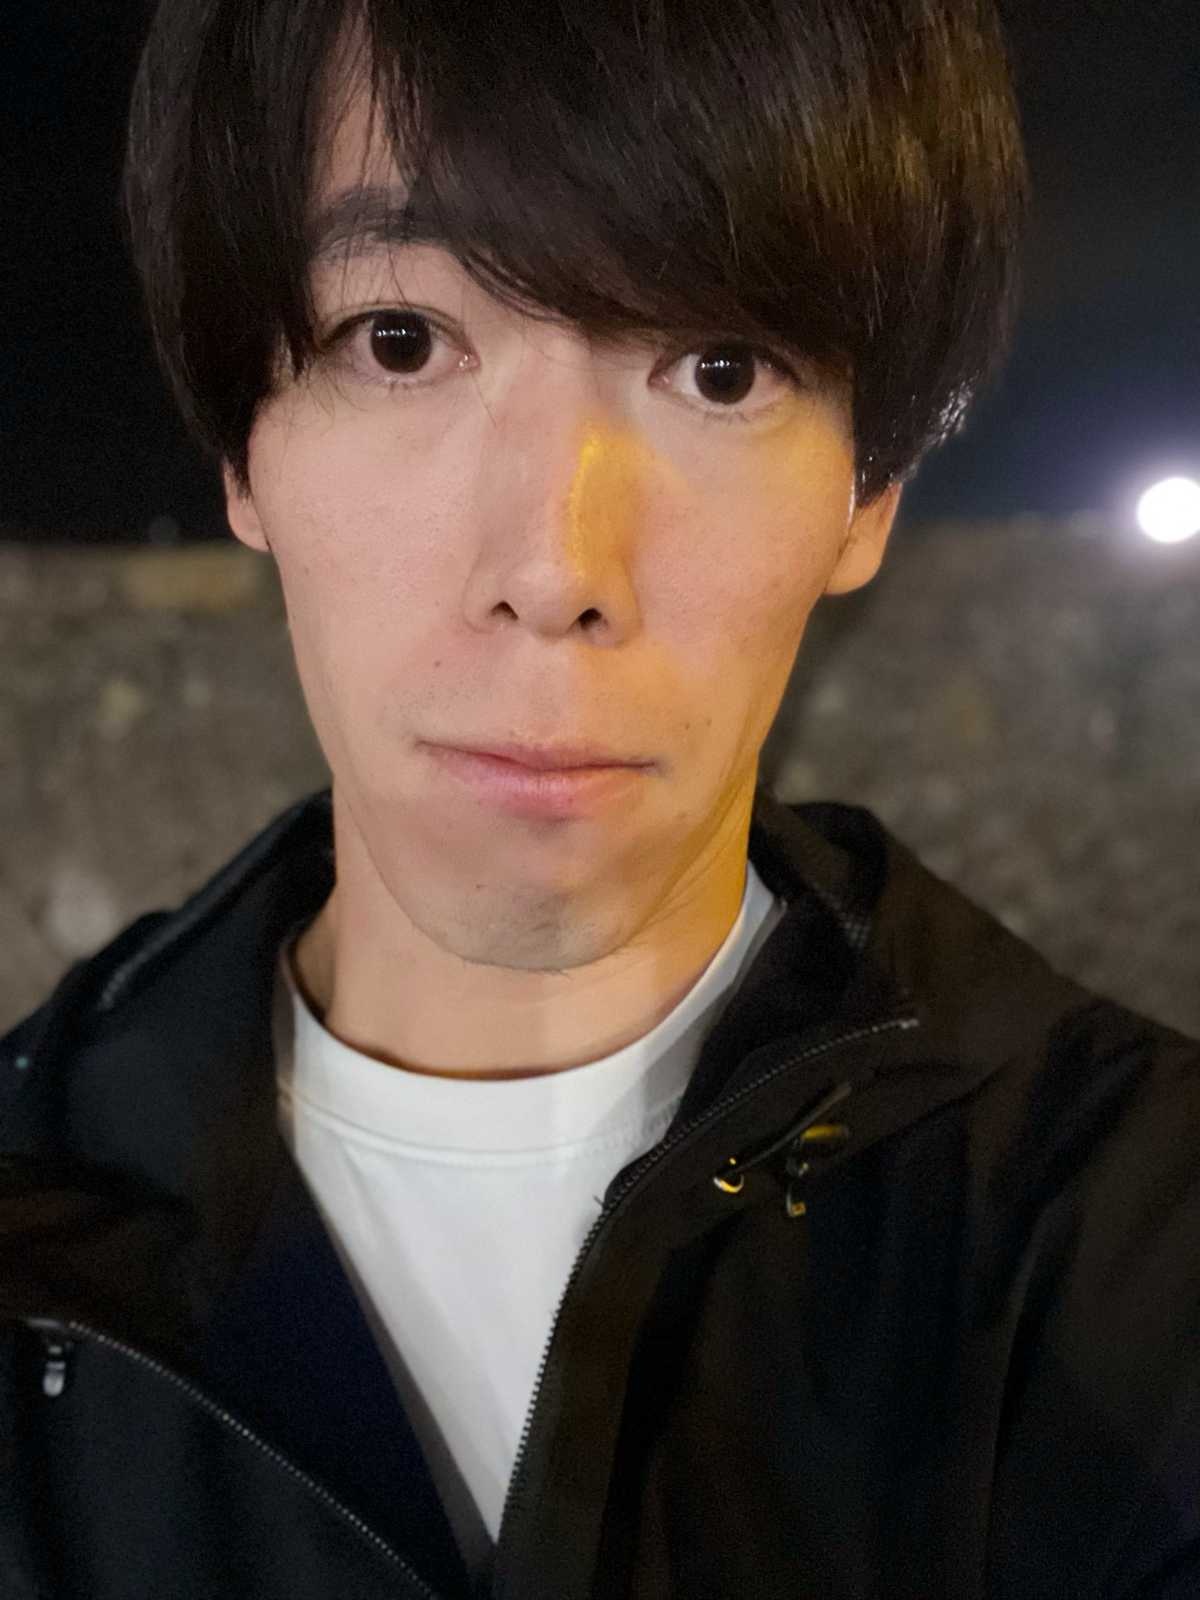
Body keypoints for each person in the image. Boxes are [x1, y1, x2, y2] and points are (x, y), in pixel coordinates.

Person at [2, 0, 1198, 1595]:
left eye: (719, 368)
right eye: (402, 340)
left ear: (871, 489)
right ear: (243, 447)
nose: (556, 566)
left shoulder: (1131, 1245)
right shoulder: (35, 1217)